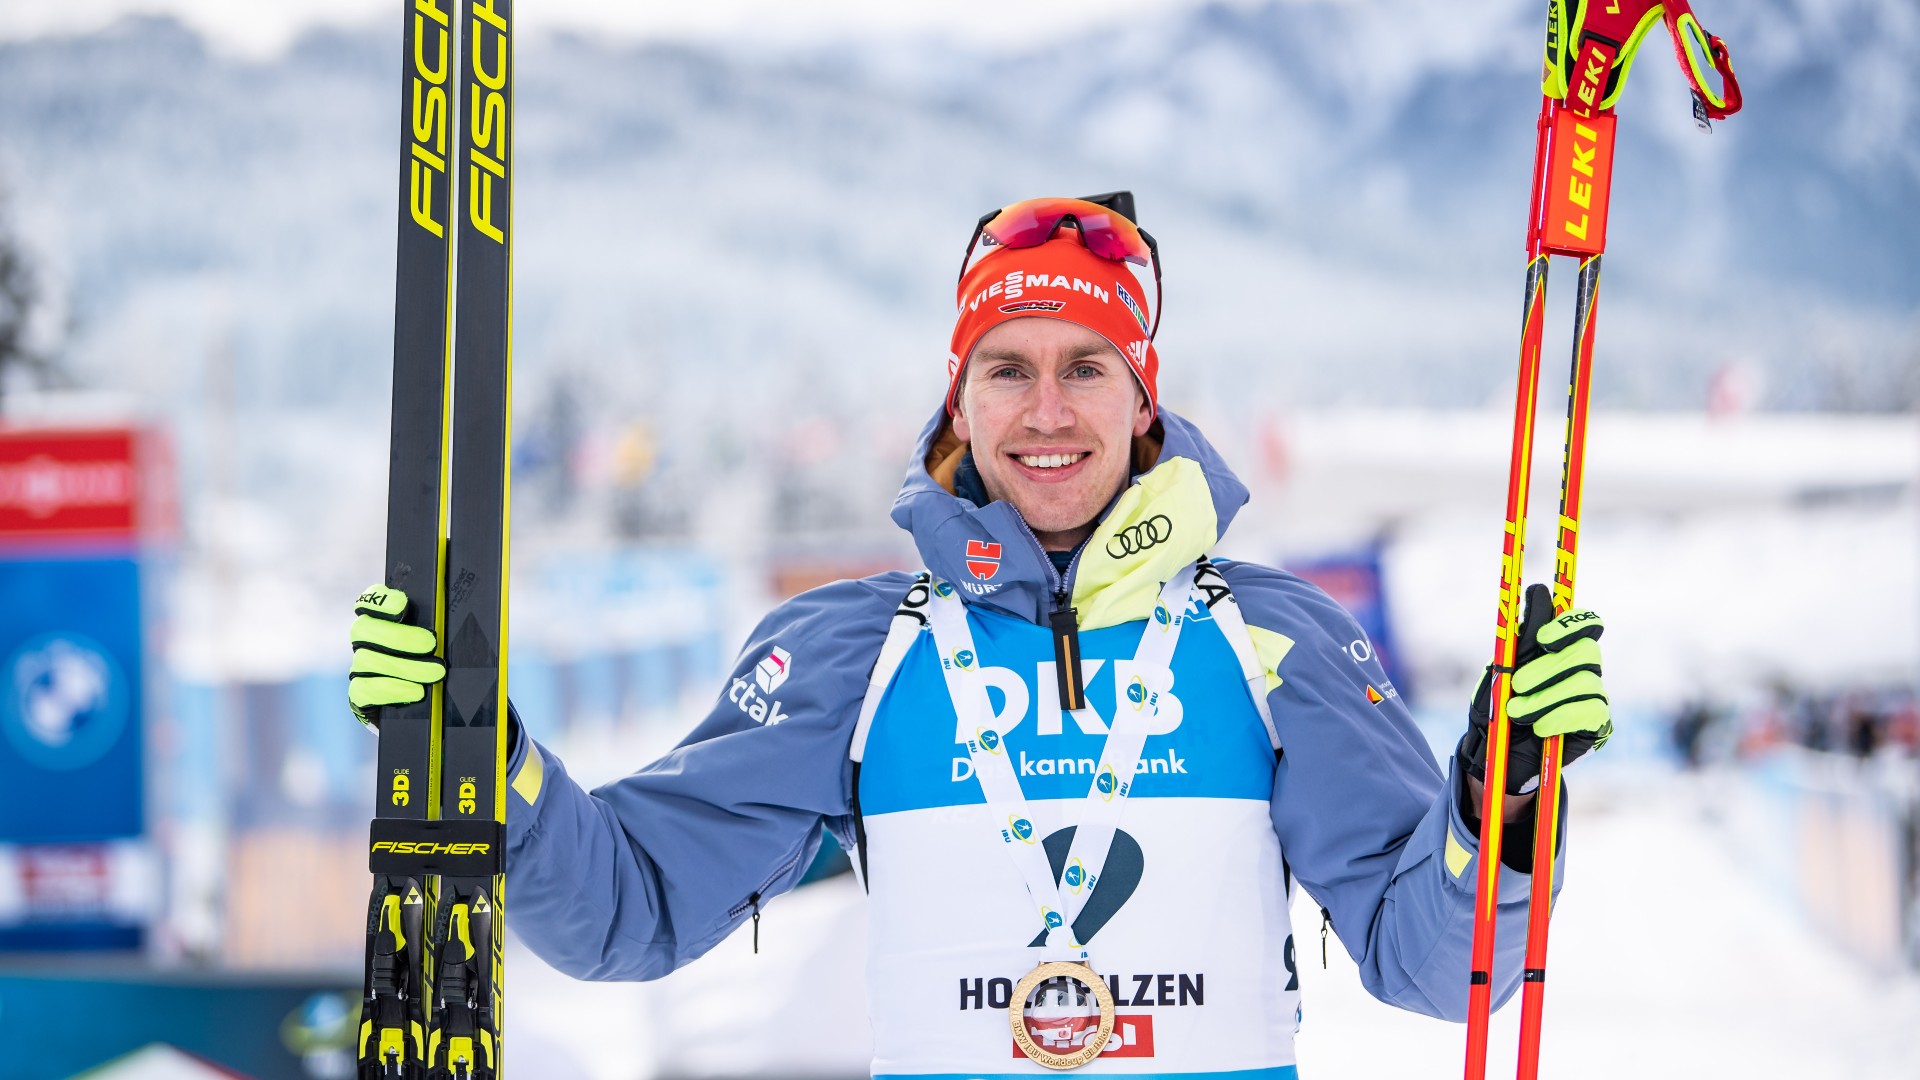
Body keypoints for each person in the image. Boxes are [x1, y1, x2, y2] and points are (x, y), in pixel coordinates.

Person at [348, 194, 1612, 1076]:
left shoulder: (1271, 641)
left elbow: (1445, 970)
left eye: (1086, 366)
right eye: (1007, 367)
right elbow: (624, 910)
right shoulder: (853, 654)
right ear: (960, 398)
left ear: (1142, 400)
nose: (1046, 409)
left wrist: (1497, 810)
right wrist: (485, 755)